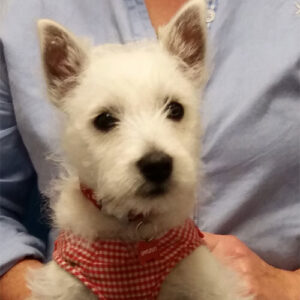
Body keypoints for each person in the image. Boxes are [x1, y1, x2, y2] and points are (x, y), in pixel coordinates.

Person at [0, 0, 299, 299]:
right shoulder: (29, 10)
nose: (154, 154)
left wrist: (287, 287)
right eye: (106, 121)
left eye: (174, 111)